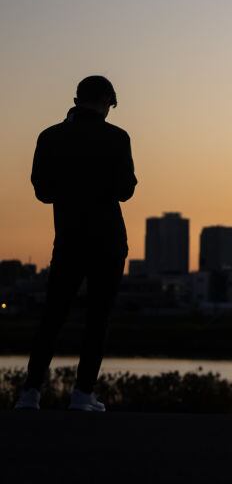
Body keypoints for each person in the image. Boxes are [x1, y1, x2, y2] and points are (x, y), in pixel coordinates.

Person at [14, 75, 137, 412]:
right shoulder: (117, 137)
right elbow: (126, 190)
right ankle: (82, 394)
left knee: (53, 316)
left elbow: (42, 191)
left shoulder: (50, 136)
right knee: (98, 318)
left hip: (68, 237)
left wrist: (70, 188)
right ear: (107, 101)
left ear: (76, 99)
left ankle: (30, 392)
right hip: (108, 239)